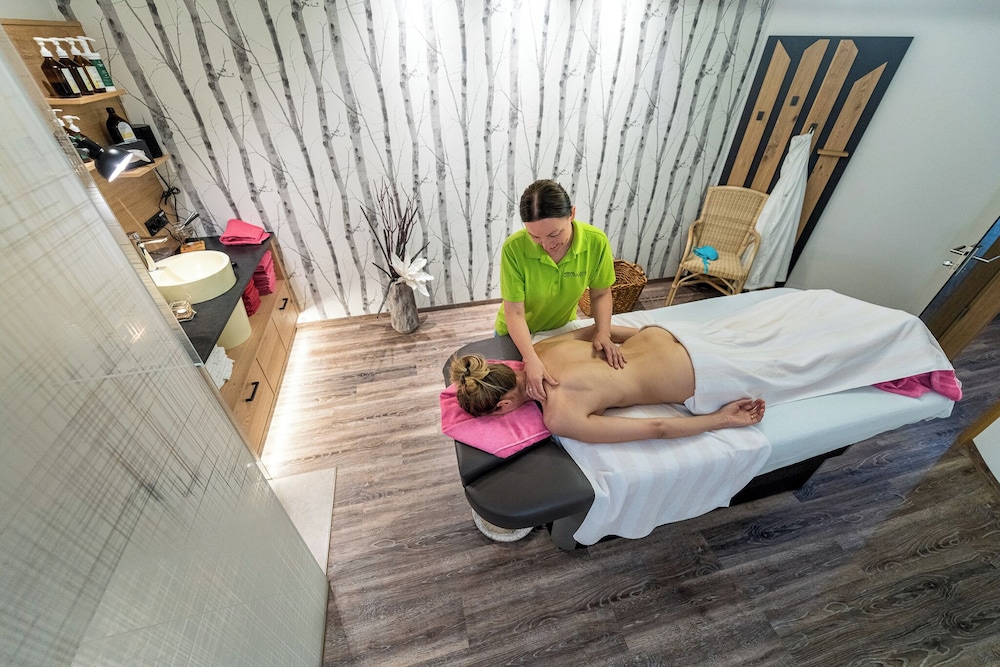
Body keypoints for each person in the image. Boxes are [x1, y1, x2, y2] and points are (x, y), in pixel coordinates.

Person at [450, 322, 766, 444]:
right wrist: (646, 333)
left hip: (696, 372)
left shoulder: (559, 416)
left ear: (503, 405)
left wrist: (722, 419)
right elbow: (596, 331)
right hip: (667, 334)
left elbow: (657, 428)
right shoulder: (539, 350)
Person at [496, 179, 621, 401]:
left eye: (554, 234)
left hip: (560, 328)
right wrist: (529, 357)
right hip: (516, 334)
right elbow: (514, 311)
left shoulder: (595, 242)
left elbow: (601, 293)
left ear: (571, 214)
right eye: (535, 237)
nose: (546, 245)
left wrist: (603, 332)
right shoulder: (513, 249)